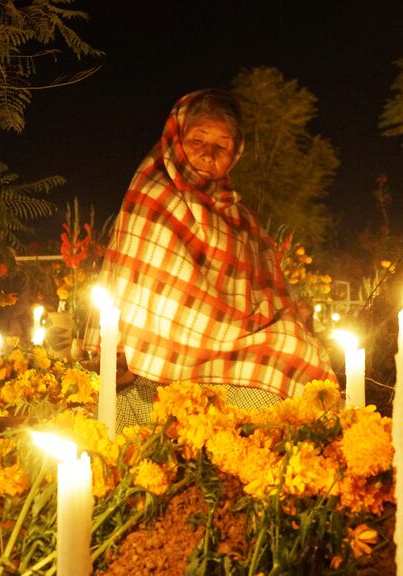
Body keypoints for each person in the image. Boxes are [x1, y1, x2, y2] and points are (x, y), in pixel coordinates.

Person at [96, 89, 336, 428]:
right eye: (198, 140)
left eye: (221, 146)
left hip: (234, 344)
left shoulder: (236, 214)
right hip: (161, 361)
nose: (208, 153)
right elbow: (140, 287)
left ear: (234, 154)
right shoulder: (152, 194)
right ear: (177, 139)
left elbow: (266, 296)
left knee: (300, 355)